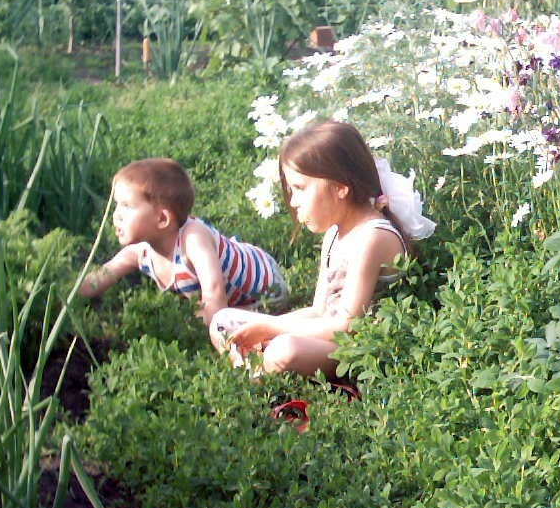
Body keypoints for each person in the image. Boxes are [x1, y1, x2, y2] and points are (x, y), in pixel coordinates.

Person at [210, 120, 435, 379]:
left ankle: (260, 376)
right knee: (223, 320)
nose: (293, 202)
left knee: (285, 349)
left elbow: (348, 324)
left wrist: (272, 328)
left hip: (362, 348)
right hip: (327, 338)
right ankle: (254, 374)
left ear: (340, 187)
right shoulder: (334, 234)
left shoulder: (373, 236)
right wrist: (269, 327)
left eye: (300, 189)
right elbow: (319, 311)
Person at [79, 158, 289, 336]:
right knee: (196, 316)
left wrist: (216, 340)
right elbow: (99, 278)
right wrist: (64, 296)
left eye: (127, 206)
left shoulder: (193, 238)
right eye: (116, 205)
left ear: (162, 219)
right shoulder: (140, 252)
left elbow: (214, 290)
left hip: (265, 289)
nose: (117, 215)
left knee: (222, 321)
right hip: (232, 298)